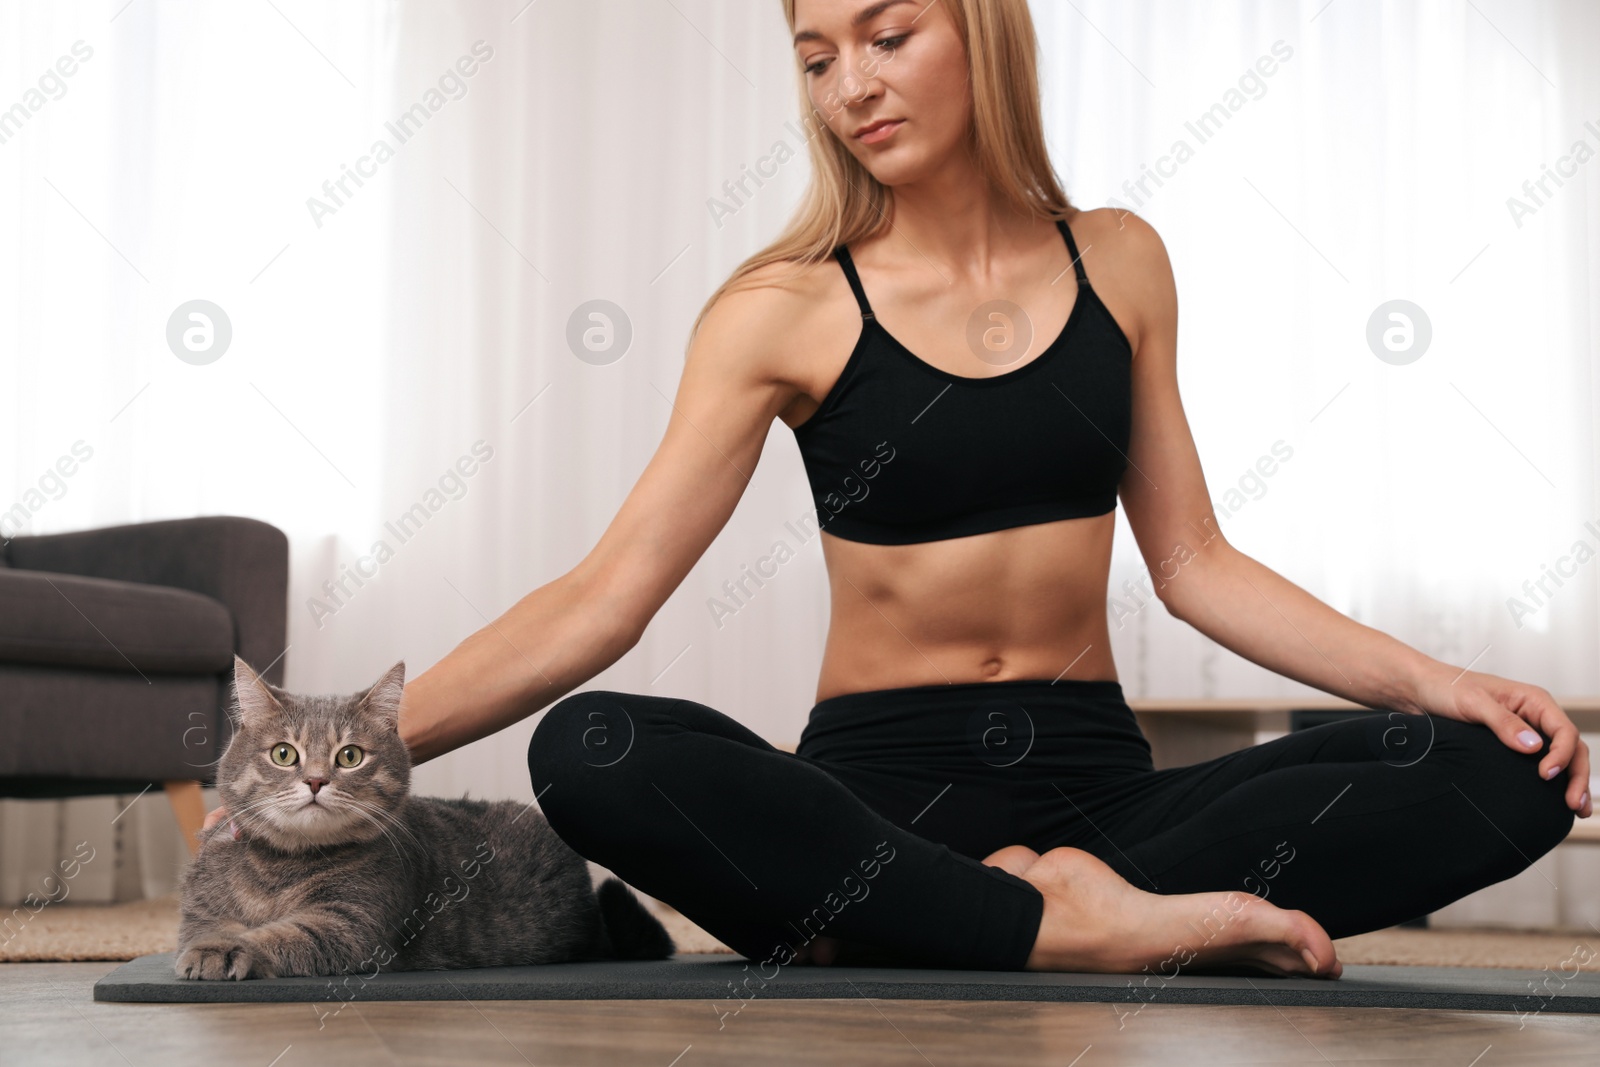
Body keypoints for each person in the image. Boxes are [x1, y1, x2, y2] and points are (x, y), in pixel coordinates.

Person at [210, 0, 1587, 977]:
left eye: (886, 36)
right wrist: (328, 773)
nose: (847, 85)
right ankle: (1075, 934)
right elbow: (601, 601)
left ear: (982, 27)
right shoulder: (780, 308)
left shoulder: (1122, 260)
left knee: (1509, 776)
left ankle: (1006, 921)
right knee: (600, 747)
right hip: (873, 813)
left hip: (1108, 803)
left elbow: (1197, 566)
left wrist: (1436, 684)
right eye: (815, 57)